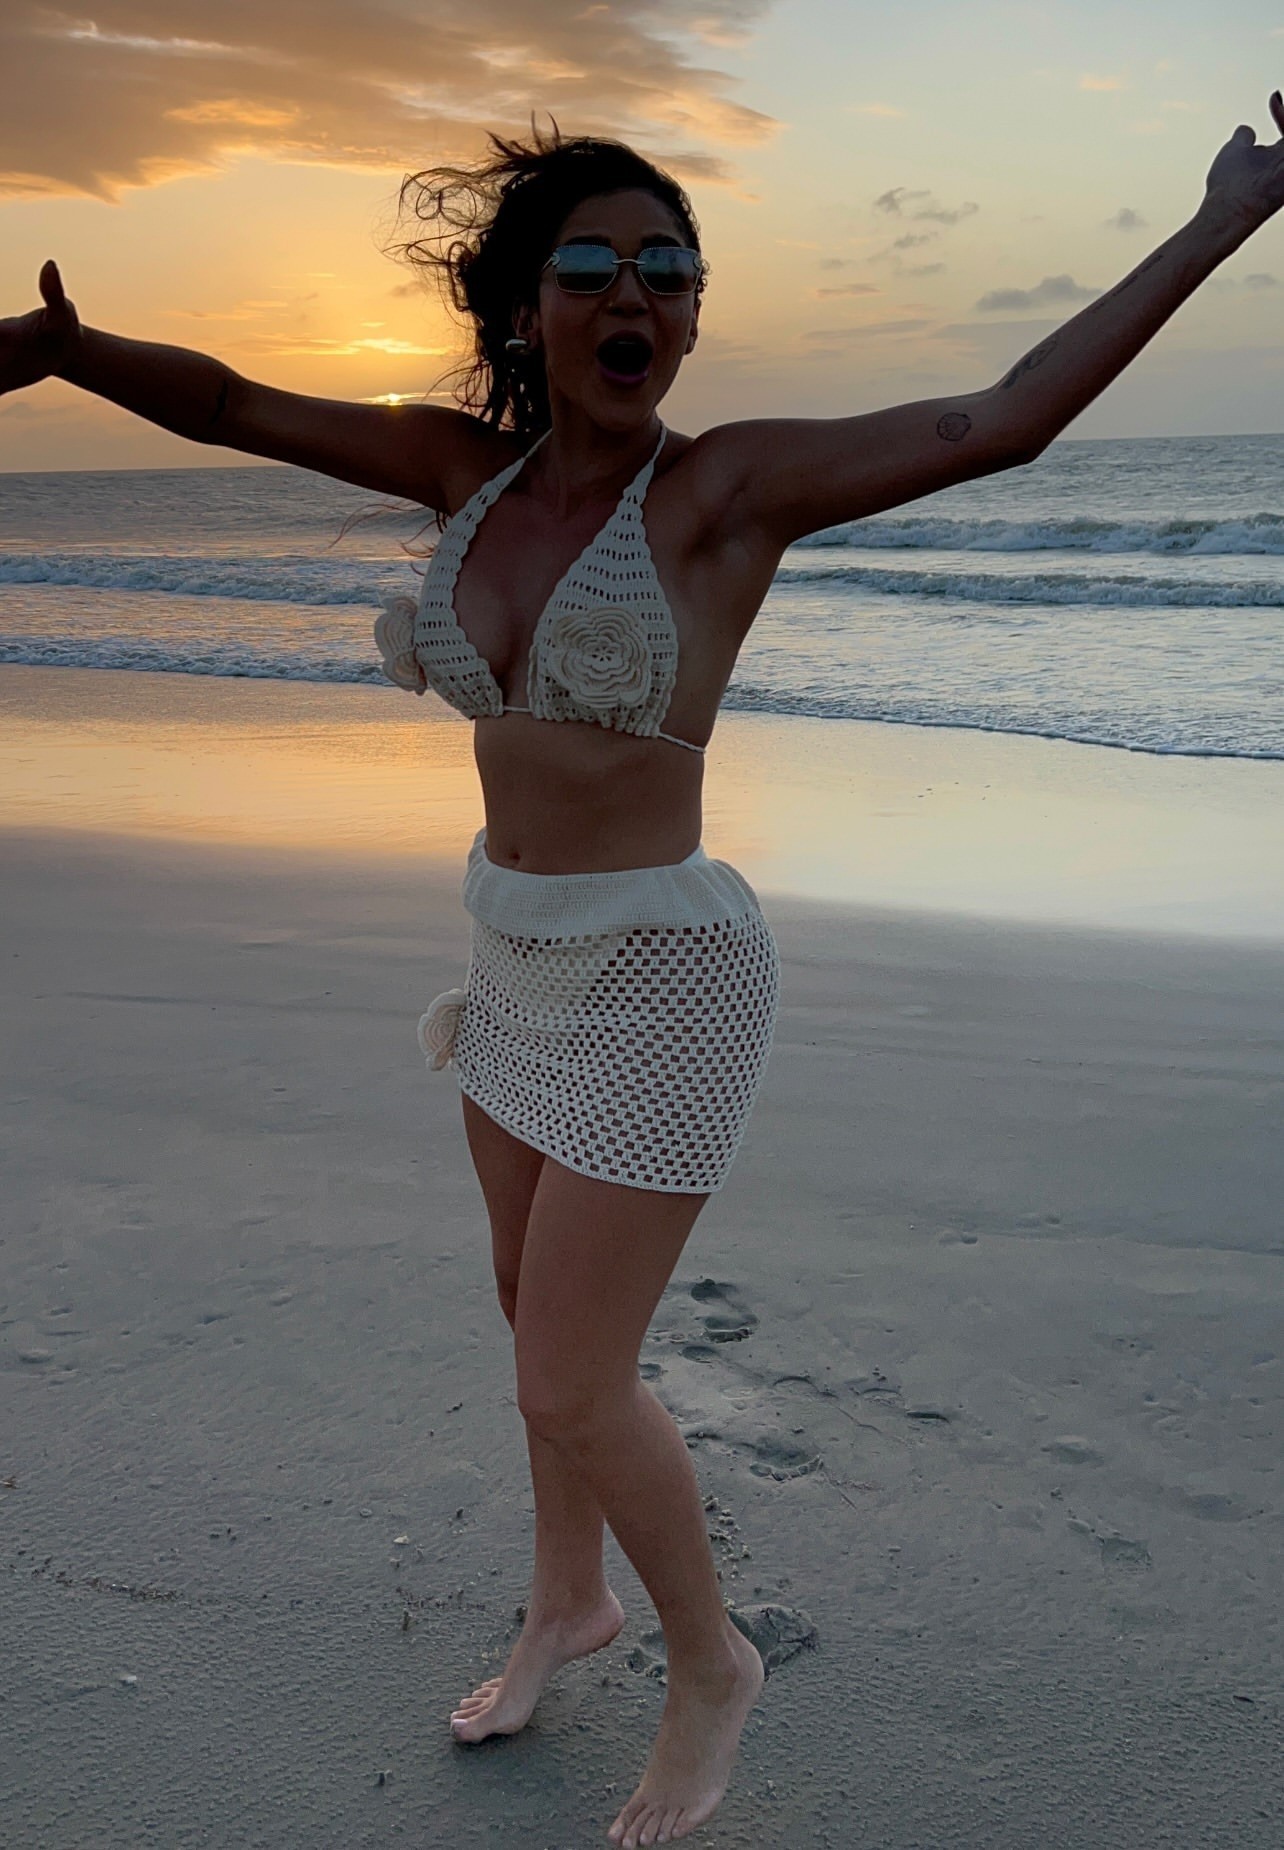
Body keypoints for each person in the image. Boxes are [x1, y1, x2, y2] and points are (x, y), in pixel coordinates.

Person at [6, 99, 1281, 1850]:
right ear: (527, 306)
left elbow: (1003, 418)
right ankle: (567, 1601)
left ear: (691, 311)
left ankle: (709, 1660)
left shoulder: (722, 491)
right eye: (592, 265)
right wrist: (70, 354)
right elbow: (230, 403)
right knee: (529, 1316)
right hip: (511, 955)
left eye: (667, 269)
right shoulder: (465, 477)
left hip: (666, 977)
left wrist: (1225, 220)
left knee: (570, 1378)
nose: (635, 294)